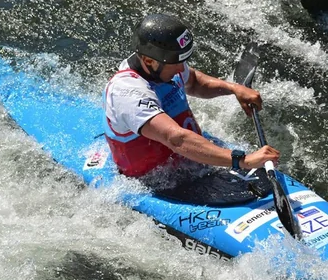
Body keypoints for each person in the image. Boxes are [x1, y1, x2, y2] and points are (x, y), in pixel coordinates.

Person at [103, 13, 280, 178]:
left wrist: (233, 88)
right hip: (154, 181)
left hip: (190, 162)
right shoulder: (127, 92)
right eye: (177, 64)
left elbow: (194, 82)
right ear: (149, 61)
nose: (182, 69)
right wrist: (242, 161)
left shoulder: (162, 64)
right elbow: (175, 138)